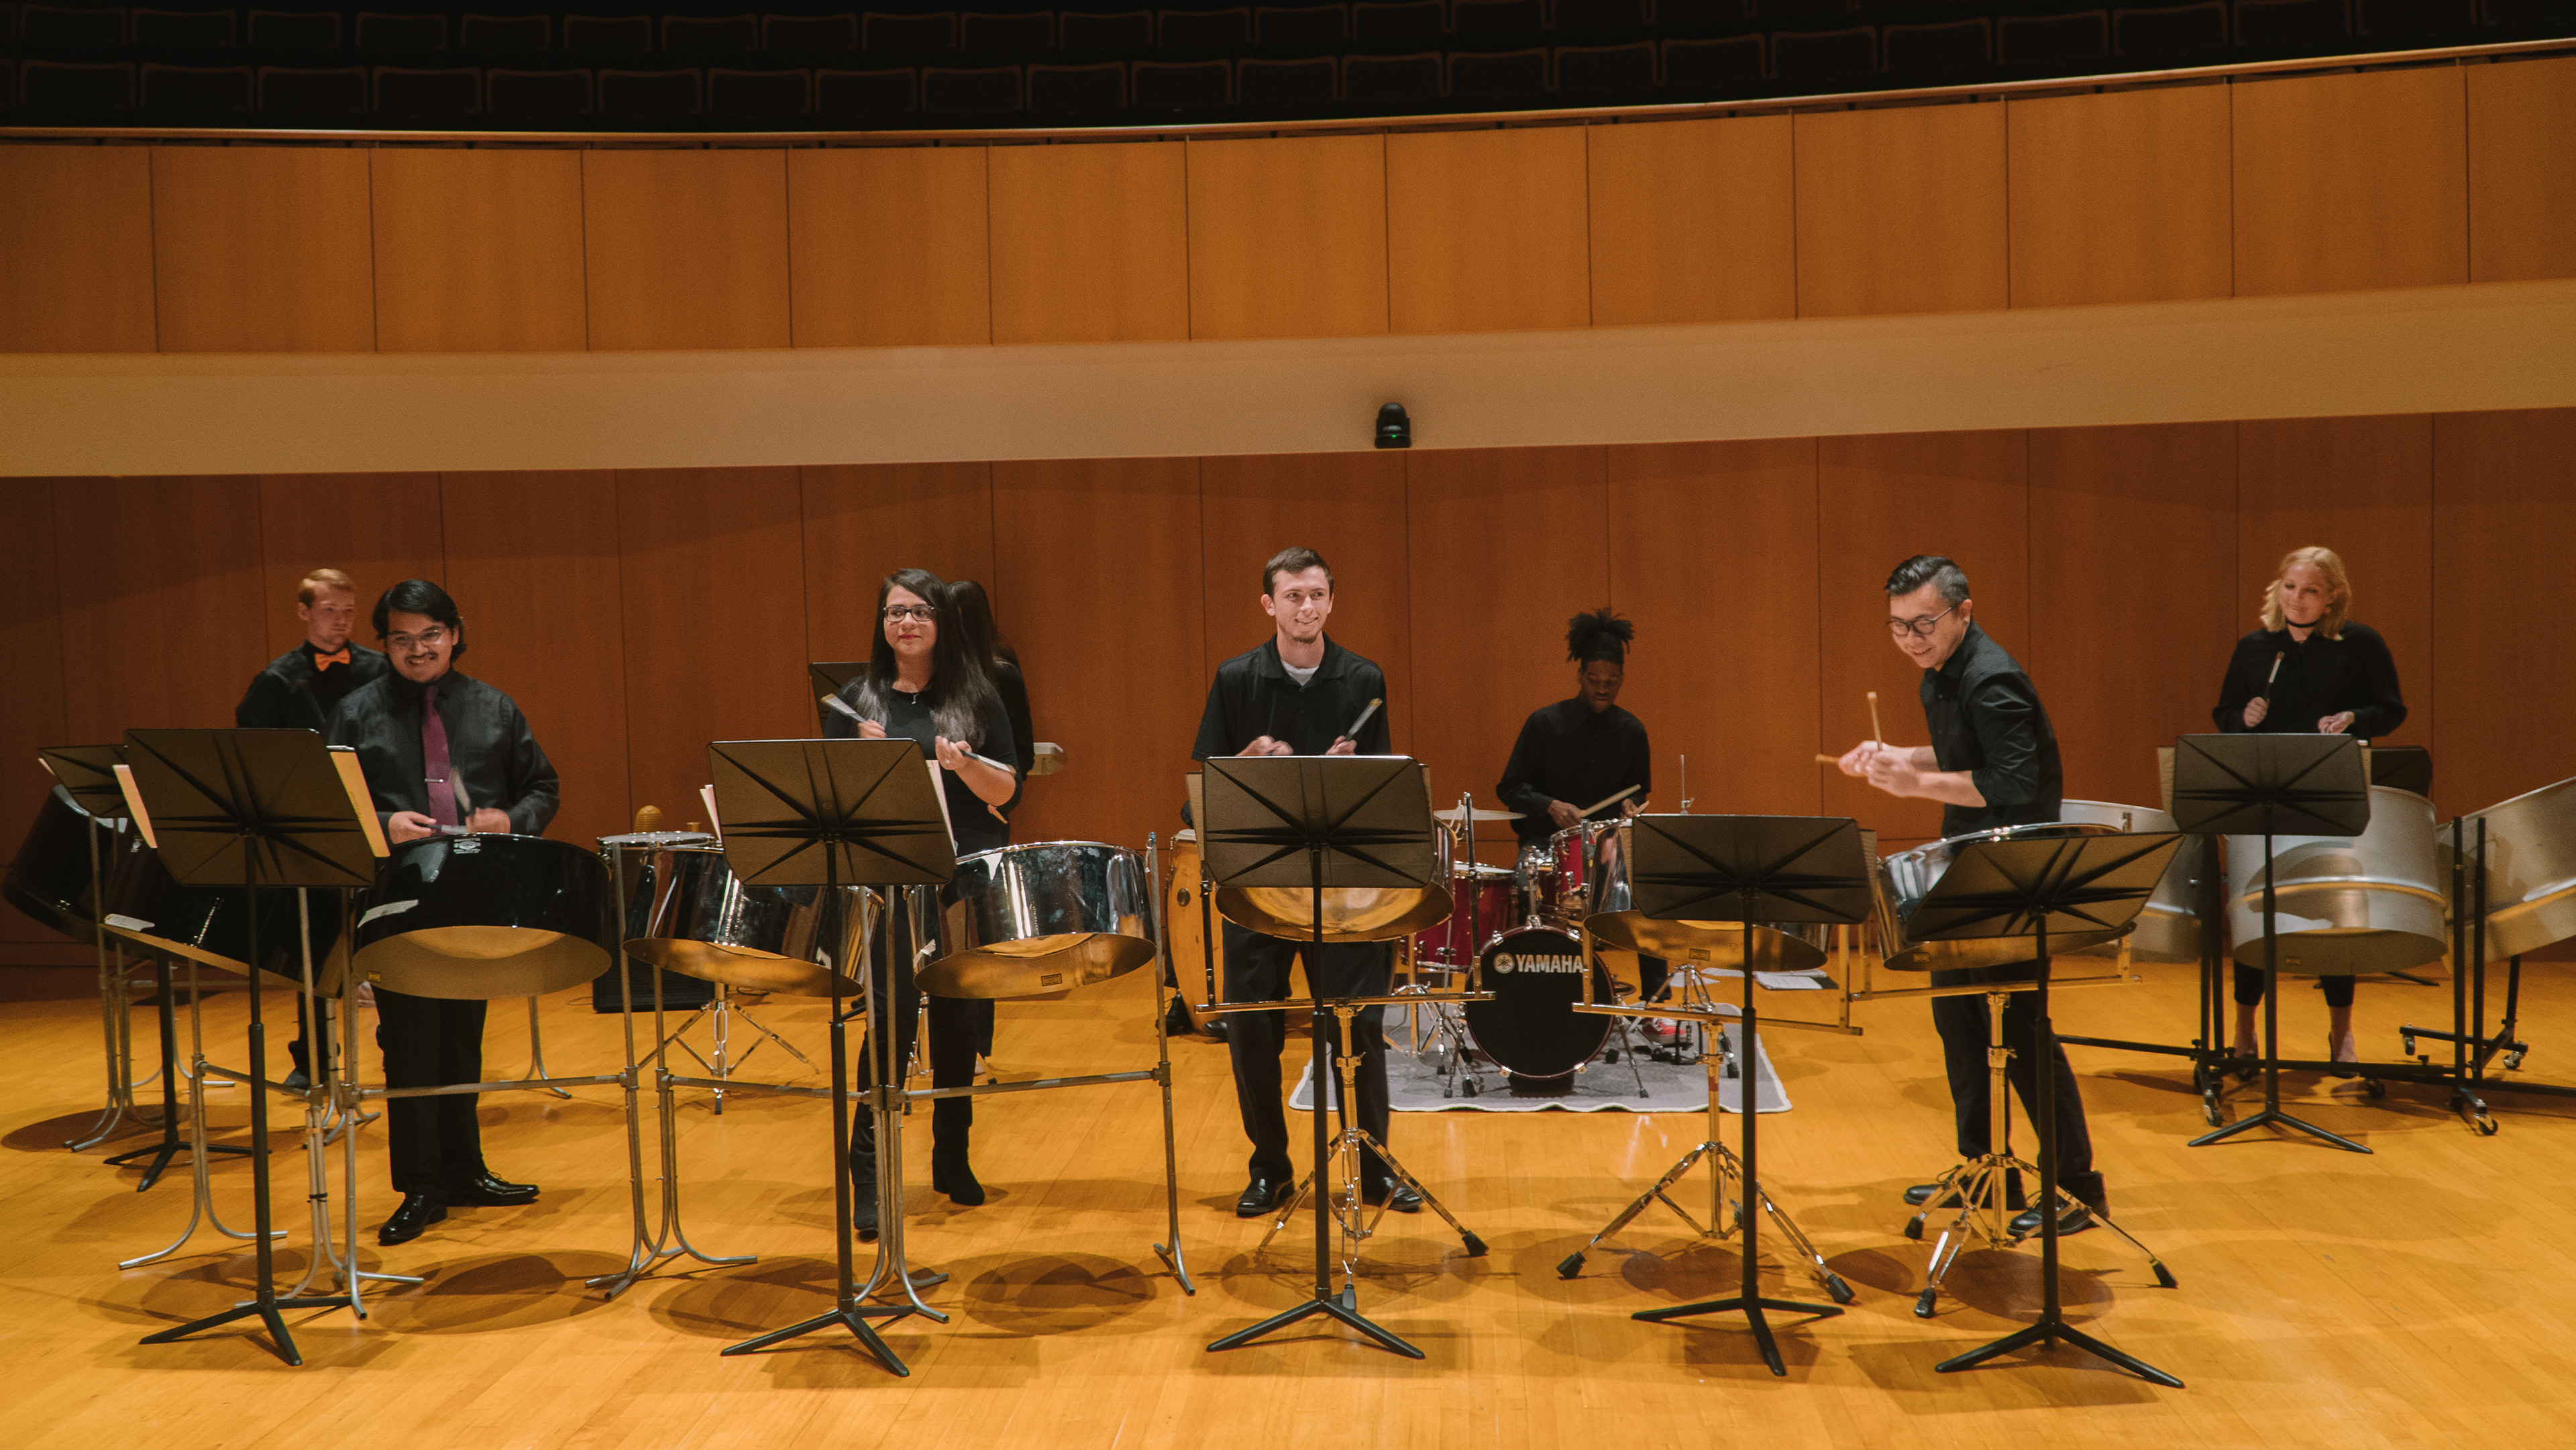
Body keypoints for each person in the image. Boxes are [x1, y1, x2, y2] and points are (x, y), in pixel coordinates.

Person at [1837, 555, 2106, 1236]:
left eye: (1922, 623)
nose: (1910, 639)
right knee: (1958, 1015)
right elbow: (1963, 754)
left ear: (1963, 610)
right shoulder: (1941, 674)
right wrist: (1897, 755)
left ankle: (2077, 1184)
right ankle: (1987, 1166)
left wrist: (1915, 785)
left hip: (2015, 870)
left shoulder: (1992, 680)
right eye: (1897, 627)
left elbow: (2011, 784)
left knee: (2019, 1025)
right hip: (1968, 858)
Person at [327, 580, 556, 1246]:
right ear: (386, 644)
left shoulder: (493, 708)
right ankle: (421, 1182)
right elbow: (329, 804)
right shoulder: (354, 713)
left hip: (473, 893)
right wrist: (382, 820)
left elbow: (543, 785)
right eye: (401, 637)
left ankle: (463, 1168)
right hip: (396, 896)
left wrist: (509, 817)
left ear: (454, 633)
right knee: (410, 1044)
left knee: (461, 1037)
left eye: (430, 634)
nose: (417, 648)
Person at [1191, 546, 1417, 1219]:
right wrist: (1243, 766)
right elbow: (1198, 800)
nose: (1306, 608)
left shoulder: (1361, 679)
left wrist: (1348, 775)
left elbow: (1384, 800)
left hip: (1343, 885)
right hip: (1260, 883)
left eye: (1316, 594)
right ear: (1270, 604)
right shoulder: (1236, 680)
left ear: (1331, 600)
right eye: (1292, 596)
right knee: (1251, 1027)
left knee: (1360, 1026)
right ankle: (1270, 1167)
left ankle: (1374, 1167)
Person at [825, 568, 1020, 1235]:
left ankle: (952, 1153)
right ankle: (870, 1171)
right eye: (893, 612)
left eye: (918, 611)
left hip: (962, 868)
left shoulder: (976, 696)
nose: (905, 622)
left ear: (941, 621)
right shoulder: (857, 702)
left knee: (960, 1019)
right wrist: (858, 757)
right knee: (890, 1021)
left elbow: (1006, 793)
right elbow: (831, 797)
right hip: (888, 873)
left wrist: (965, 765)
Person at [2210, 546, 2408, 1070]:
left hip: (2328, 792)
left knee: (2335, 915)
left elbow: (2390, 710)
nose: (2297, 600)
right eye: (2290, 588)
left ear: (2333, 596)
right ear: (2278, 589)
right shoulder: (2256, 648)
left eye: (2311, 590)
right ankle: (2245, 1027)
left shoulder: (2359, 644)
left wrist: (2351, 716)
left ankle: (2341, 1031)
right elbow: (2224, 713)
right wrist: (2243, 718)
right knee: (2255, 913)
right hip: (2264, 794)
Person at [236, 567, 388, 1090]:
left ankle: (400, 1054)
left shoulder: (379, 668)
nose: (341, 622)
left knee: (387, 933)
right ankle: (314, 1060)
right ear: (304, 613)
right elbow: (255, 757)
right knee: (314, 942)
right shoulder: (276, 681)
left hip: (378, 818)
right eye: (329, 612)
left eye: (348, 612)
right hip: (311, 827)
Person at [1496, 609, 1662, 1002]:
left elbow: (1640, 792)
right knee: (1528, 885)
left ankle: (1656, 1005)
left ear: (1622, 679)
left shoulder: (1632, 731)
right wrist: (1550, 805)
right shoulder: (1545, 724)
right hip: (1546, 843)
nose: (1603, 689)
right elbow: (1510, 787)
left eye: (1612, 681)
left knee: (1653, 895)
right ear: (1580, 675)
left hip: (1607, 848)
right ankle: (1531, 997)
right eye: (1595, 680)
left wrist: (1630, 805)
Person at [944, 579, 1032, 1066]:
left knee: (979, 936)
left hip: (986, 813)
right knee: (941, 935)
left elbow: (1022, 754)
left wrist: (1004, 803)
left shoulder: (999, 672)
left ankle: (976, 1043)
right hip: (944, 817)